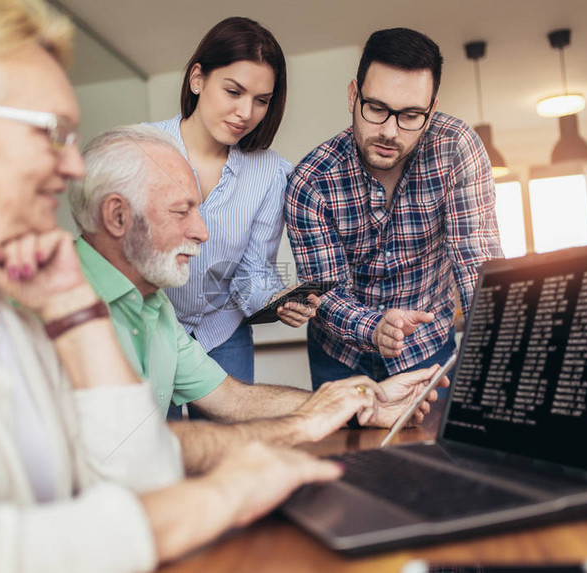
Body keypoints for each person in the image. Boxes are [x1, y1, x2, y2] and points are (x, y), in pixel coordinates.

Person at [0, 1, 342, 570]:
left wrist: (76, 314)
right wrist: (219, 496)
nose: (75, 167)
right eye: (50, 133)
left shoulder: (14, 303)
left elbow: (137, 470)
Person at [67, 123, 449, 443]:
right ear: (117, 216)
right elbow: (125, 452)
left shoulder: (156, 306)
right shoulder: (48, 310)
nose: (202, 232)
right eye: (181, 211)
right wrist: (304, 423)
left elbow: (233, 399)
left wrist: (370, 400)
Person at [285, 28, 503, 391]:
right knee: (349, 450)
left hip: (429, 347)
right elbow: (325, 291)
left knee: (434, 449)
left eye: (411, 115)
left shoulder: (456, 148)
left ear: (431, 111)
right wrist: (376, 327)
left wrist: (498, 343)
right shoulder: (310, 182)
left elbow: (475, 258)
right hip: (340, 358)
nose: (390, 132)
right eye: (377, 108)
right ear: (354, 95)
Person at [149, 17, 314, 396]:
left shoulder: (272, 173)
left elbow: (252, 270)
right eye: (233, 91)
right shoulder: (143, 147)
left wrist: (274, 300)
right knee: (160, 447)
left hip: (222, 333)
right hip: (150, 327)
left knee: (235, 447)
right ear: (197, 79)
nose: (246, 113)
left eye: (261, 100)